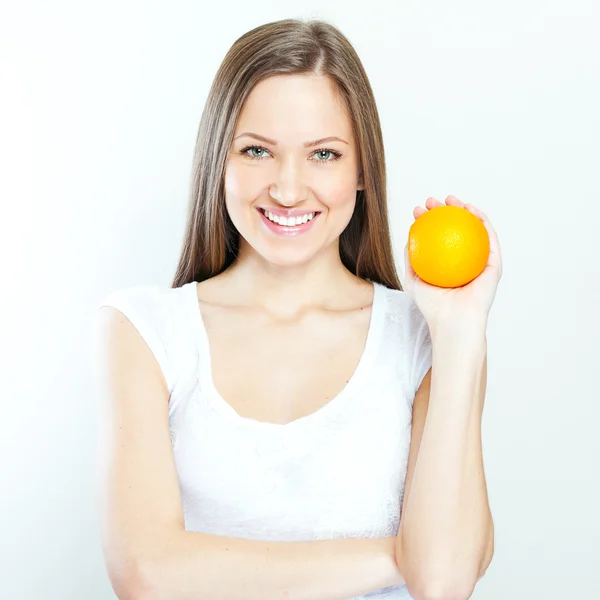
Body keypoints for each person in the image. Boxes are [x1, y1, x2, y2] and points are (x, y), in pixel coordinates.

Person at [94, 17, 502, 600]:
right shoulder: (143, 331)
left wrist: (461, 334)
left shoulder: (427, 339)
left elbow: (442, 580)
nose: (287, 189)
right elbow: (147, 575)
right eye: (257, 150)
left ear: (363, 170)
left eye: (324, 155)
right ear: (219, 160)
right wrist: (402, 554)